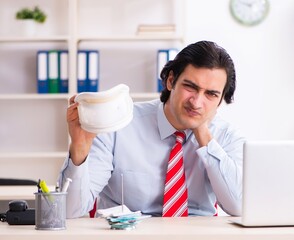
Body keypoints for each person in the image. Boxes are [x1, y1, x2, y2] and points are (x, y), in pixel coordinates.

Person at [59, 40, 245, 218]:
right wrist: (79, 148)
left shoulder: (227, 136)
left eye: (211, 94)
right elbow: (70, 211)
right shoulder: (119, 126)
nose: (196, 102)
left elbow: (238, 206)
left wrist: (203, 133)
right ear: (171, 81)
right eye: (190, 87)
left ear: (221, 100)